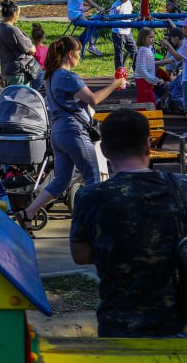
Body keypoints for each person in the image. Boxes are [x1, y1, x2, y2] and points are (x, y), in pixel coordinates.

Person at [70, 109, 187, 337]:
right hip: (183, 323)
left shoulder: (90, 197)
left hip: (121, 326)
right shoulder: (183, 186)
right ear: (147, 145)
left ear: (103, 150)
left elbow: (81, 255)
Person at [17, 37, 126, 227]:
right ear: (70, 54)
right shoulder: (68, 77)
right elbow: (93, 99)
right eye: (78, 54)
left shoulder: (50, 77)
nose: (80, 57)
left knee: (60, 182)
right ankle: (96, 223)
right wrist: (114, 84)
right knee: (92, 177)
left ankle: (28, 213)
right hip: (74, 132)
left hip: (58, 134)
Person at [0, 0, 37, 86]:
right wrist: (33, 46)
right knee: (21, 95)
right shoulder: (13, 30)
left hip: (6, 72)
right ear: (13, 14)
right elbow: (31, 50)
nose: (18, 16)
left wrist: (0, 78)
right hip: (18, 74)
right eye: (18, 13)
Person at [132, 27, 165, 107]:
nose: (153, 39)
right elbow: (141, 69)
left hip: (146, 80)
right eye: (150, 37)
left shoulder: (148, 49)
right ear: (143, 38)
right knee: (145, 103)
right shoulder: (143, 50)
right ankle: (141, 114)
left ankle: (146, 114)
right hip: (143, 80)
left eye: (153, 37)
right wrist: (153, 79)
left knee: (150, 102)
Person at [107, 0, 137, 71]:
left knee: (134, 51)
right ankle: (119, 72)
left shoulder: (129, 3)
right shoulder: (116, 5)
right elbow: (110, 18)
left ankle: (136, 71)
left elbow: (130, 13)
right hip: (118, 32)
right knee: (119, 53)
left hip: (128, 32)